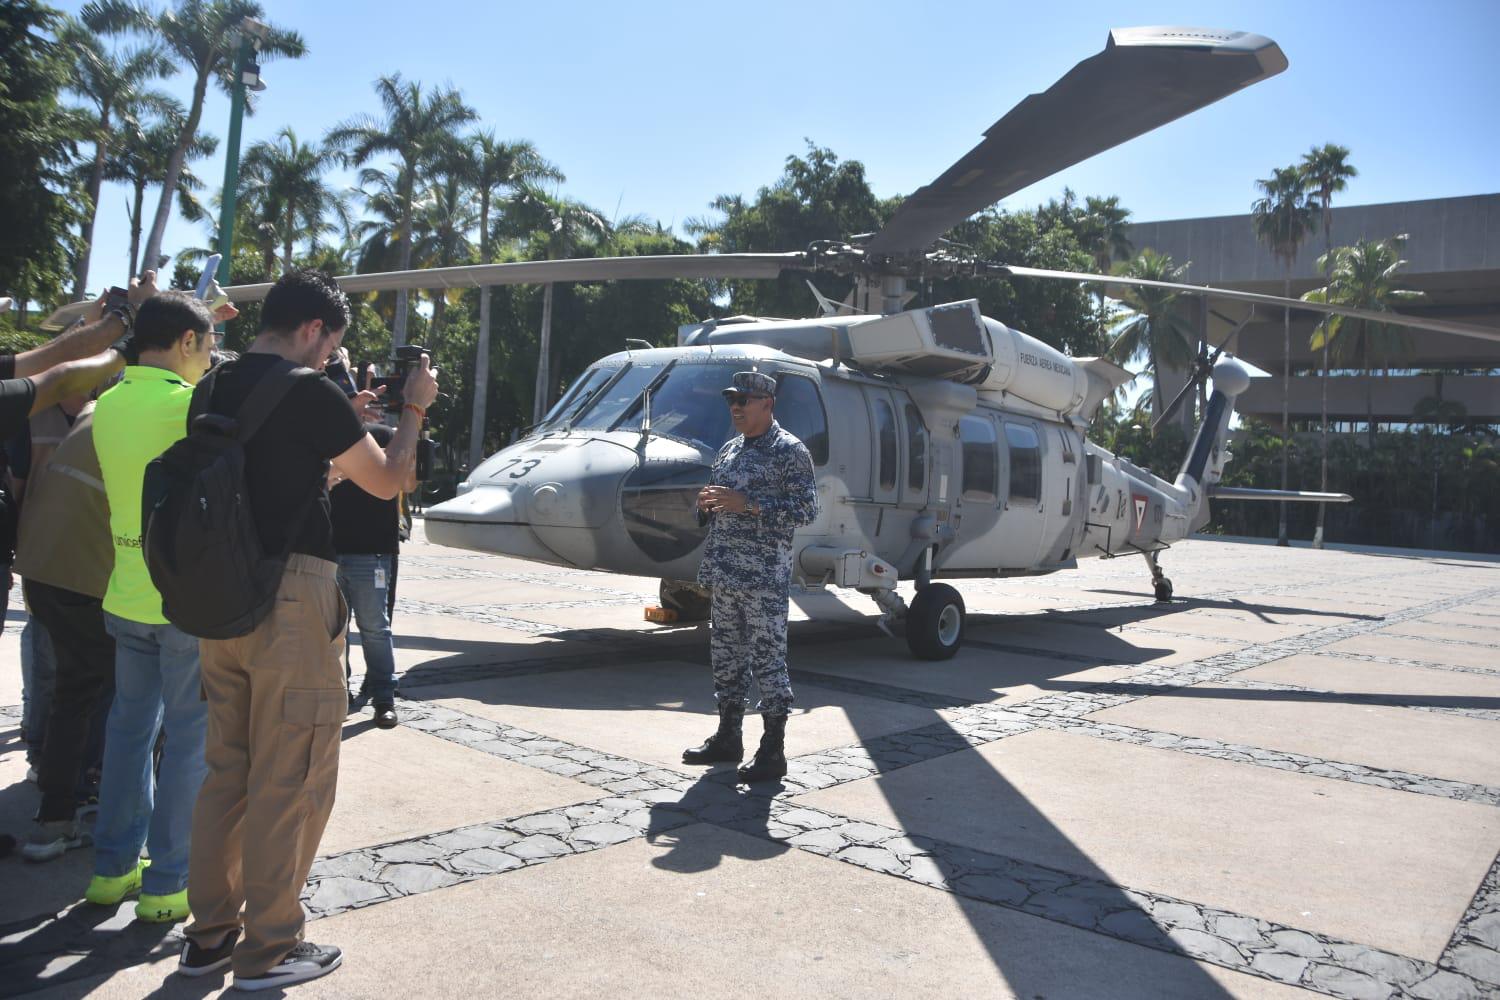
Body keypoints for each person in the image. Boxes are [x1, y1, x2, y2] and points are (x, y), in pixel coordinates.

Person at [180, 270, 437, 992]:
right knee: (289, 777)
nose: (331, 359)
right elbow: (390, 481)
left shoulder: (214, 386)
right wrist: (413, 409)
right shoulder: (308, 389)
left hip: (221, 594)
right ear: (315, 329)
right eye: (332, 345)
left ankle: (209, 936)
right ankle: (268, 949)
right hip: (292, 599)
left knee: (227, 770)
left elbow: (253, 479)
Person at [86, 291, 219, 923]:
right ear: (187, 343)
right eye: (208, 346)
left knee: (128, 732)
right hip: (181, 601)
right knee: (189, 739)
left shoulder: (108, 401)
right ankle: (168, 882)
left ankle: (111, 871)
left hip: (125, 591)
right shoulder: (188, 403)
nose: (210, 358)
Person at [685, 370, 819, 783]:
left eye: (744, 399)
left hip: (763, 579)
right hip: (724, 574)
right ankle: (729, 737)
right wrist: (705, 506)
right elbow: (712, 506)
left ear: (768, 404)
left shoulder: (790, 451)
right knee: (726, 659)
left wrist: (750, 504)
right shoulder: (728, 450)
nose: (736, 407)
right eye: (732, 400)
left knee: (767, 662)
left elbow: (807, 510)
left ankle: (773, 750)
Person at [15, 397, 117, 860]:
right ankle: (82, 806)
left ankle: (63, 803)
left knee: (77, 690)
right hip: (83, 578)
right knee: (105, 691)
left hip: (43, 569)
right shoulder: (165, 409)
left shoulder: (102, 407)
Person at [331, 413, 415, 729]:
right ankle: (339, 694)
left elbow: (408, 483)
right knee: (334, 632)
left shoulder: (383, 435)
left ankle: (383, 698)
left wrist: (411, 444)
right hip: (330, 548)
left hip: (372, 551)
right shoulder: (324, 433)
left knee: (375, 628)